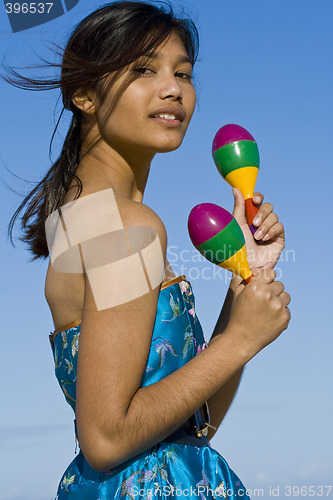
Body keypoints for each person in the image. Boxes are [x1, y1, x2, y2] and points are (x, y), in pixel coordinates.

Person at [3, 1, 291, 498]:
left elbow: (195, 426)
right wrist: (240, 341)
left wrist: (242, 282)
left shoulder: (83, 219)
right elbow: (107, 438)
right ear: (84, 95)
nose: (173, 88)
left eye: (183, 72)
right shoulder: (126, 226)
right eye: (143, 69)